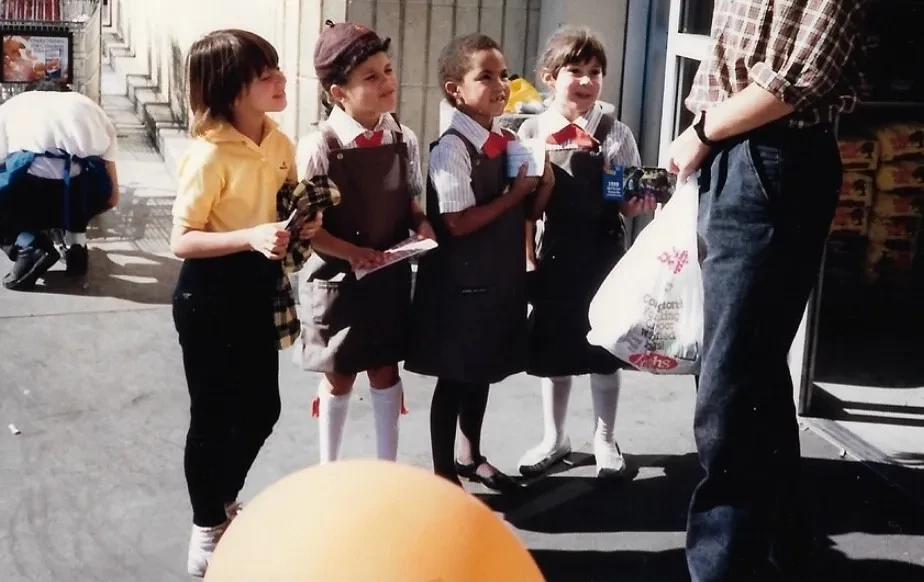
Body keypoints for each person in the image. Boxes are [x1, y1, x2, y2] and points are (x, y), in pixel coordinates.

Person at [664, 2, 869, 580]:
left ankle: (724, 568)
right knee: (749, 369)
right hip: (736, 153)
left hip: (773, 155)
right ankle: (784, 544)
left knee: (730, 380)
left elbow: (792, 82)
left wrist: (702, 132)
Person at [169, 29, 322, 577]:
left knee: (262, 410)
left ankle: (221, 501)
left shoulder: (279, 143)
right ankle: (206, 527)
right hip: (207, 295)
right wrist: (250, 237)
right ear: (232, 91)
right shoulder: (208, 154)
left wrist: (304, 223)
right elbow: (181, 240)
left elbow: (285, 205)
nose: (281, 81)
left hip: (259, 289)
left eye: (277, 70)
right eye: (266, 76)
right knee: (211, 415)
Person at [406, 33, 553, 492]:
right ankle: (443, 473)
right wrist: (515, 194)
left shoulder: (504, 140)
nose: (500, 85)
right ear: (456, 90)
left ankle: (469, 456)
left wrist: (541, 184)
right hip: (459, 285)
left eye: (503, 75)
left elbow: (527, 210)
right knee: (455, 376)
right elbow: (457, 222)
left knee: (482, 371)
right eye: (485, 77)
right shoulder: (452, 148)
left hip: (495, 278)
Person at [515, 27, 656, 480]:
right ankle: (554, 437)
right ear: (549, 77)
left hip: (604, 254)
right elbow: (523, 207)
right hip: (554, 254)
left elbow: (625, 199)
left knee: (604, 350)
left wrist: (634, 198)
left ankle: (605, 438)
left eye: (594, 72)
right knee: (555, 351)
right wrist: (528, 261)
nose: (586, 81)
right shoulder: (532, 131)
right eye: (574, 71)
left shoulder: (616, 133)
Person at [294, 20, 434, 464]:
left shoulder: (403, 137)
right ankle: (329, 471)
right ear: (339, 93)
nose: (387, 82)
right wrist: (353, 253)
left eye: (388, 70)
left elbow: (410, 203)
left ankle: (386, 467)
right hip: (336, 278)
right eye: (370, 77)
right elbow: (309, 230)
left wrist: (421, 225)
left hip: (386, 277)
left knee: (386, 370)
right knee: (339, 374)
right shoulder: (319, 145)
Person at [0, 80, 119, 290]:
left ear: (33, 92)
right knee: (77, 186)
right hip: (77, 189)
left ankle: (29, 245)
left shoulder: (16, 104)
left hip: (30, 189)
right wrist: (107, 198)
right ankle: (77, 245)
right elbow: (109, 169)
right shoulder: (88, 106)